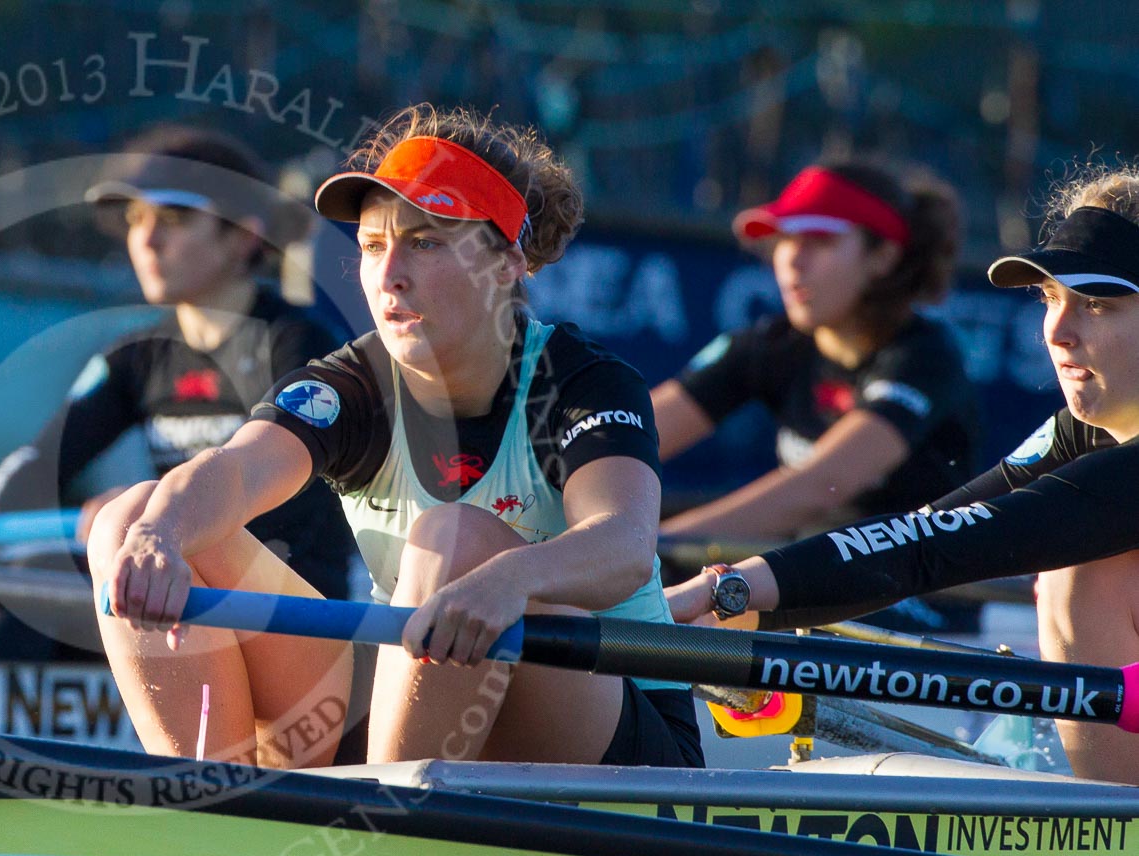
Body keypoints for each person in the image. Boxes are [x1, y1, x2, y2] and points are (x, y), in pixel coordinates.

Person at [93, 105, 700, 770]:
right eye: (374, 247)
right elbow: (236, 470)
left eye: (426, 242)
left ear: (505, 262)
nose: (389, 275)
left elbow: (625, 545)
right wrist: (162, 536)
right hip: (417, 689)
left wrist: (510, 579)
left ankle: (382, 835)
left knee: (457, 540)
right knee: (134, 516)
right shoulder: (348, 386)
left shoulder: (584, 382)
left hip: (618, 734)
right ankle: (210, 810)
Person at [666, 164, 1139, 784]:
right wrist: (737, 594)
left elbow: (937, 546)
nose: (1057, 330)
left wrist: (703, 580)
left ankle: (1104, 855)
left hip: (942, 621)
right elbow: (931, 529)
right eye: (1052, 298)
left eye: (1097, 305)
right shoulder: (1081, 432)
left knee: (1079, 575)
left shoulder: (923, 357)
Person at [0, 125, 356, 662]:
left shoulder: (302, 348)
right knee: (5, 587)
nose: (147, 239)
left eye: (173, 219)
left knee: (40, 582)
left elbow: (271, 497)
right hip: (172, 587)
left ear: (243, 235)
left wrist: (146, 511)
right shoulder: (138, 355)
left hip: (289, 618)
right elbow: (46, 456)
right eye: (136, 219)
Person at [651, 161, 976, 540]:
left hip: (921, 593)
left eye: (820, 239)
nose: (792, 259)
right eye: (786, 238)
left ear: (883, 257)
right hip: (809, 588)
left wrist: (647, 553)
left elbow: (820, 488)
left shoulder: (926, 358)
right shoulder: (771, 345)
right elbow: (627, 437)